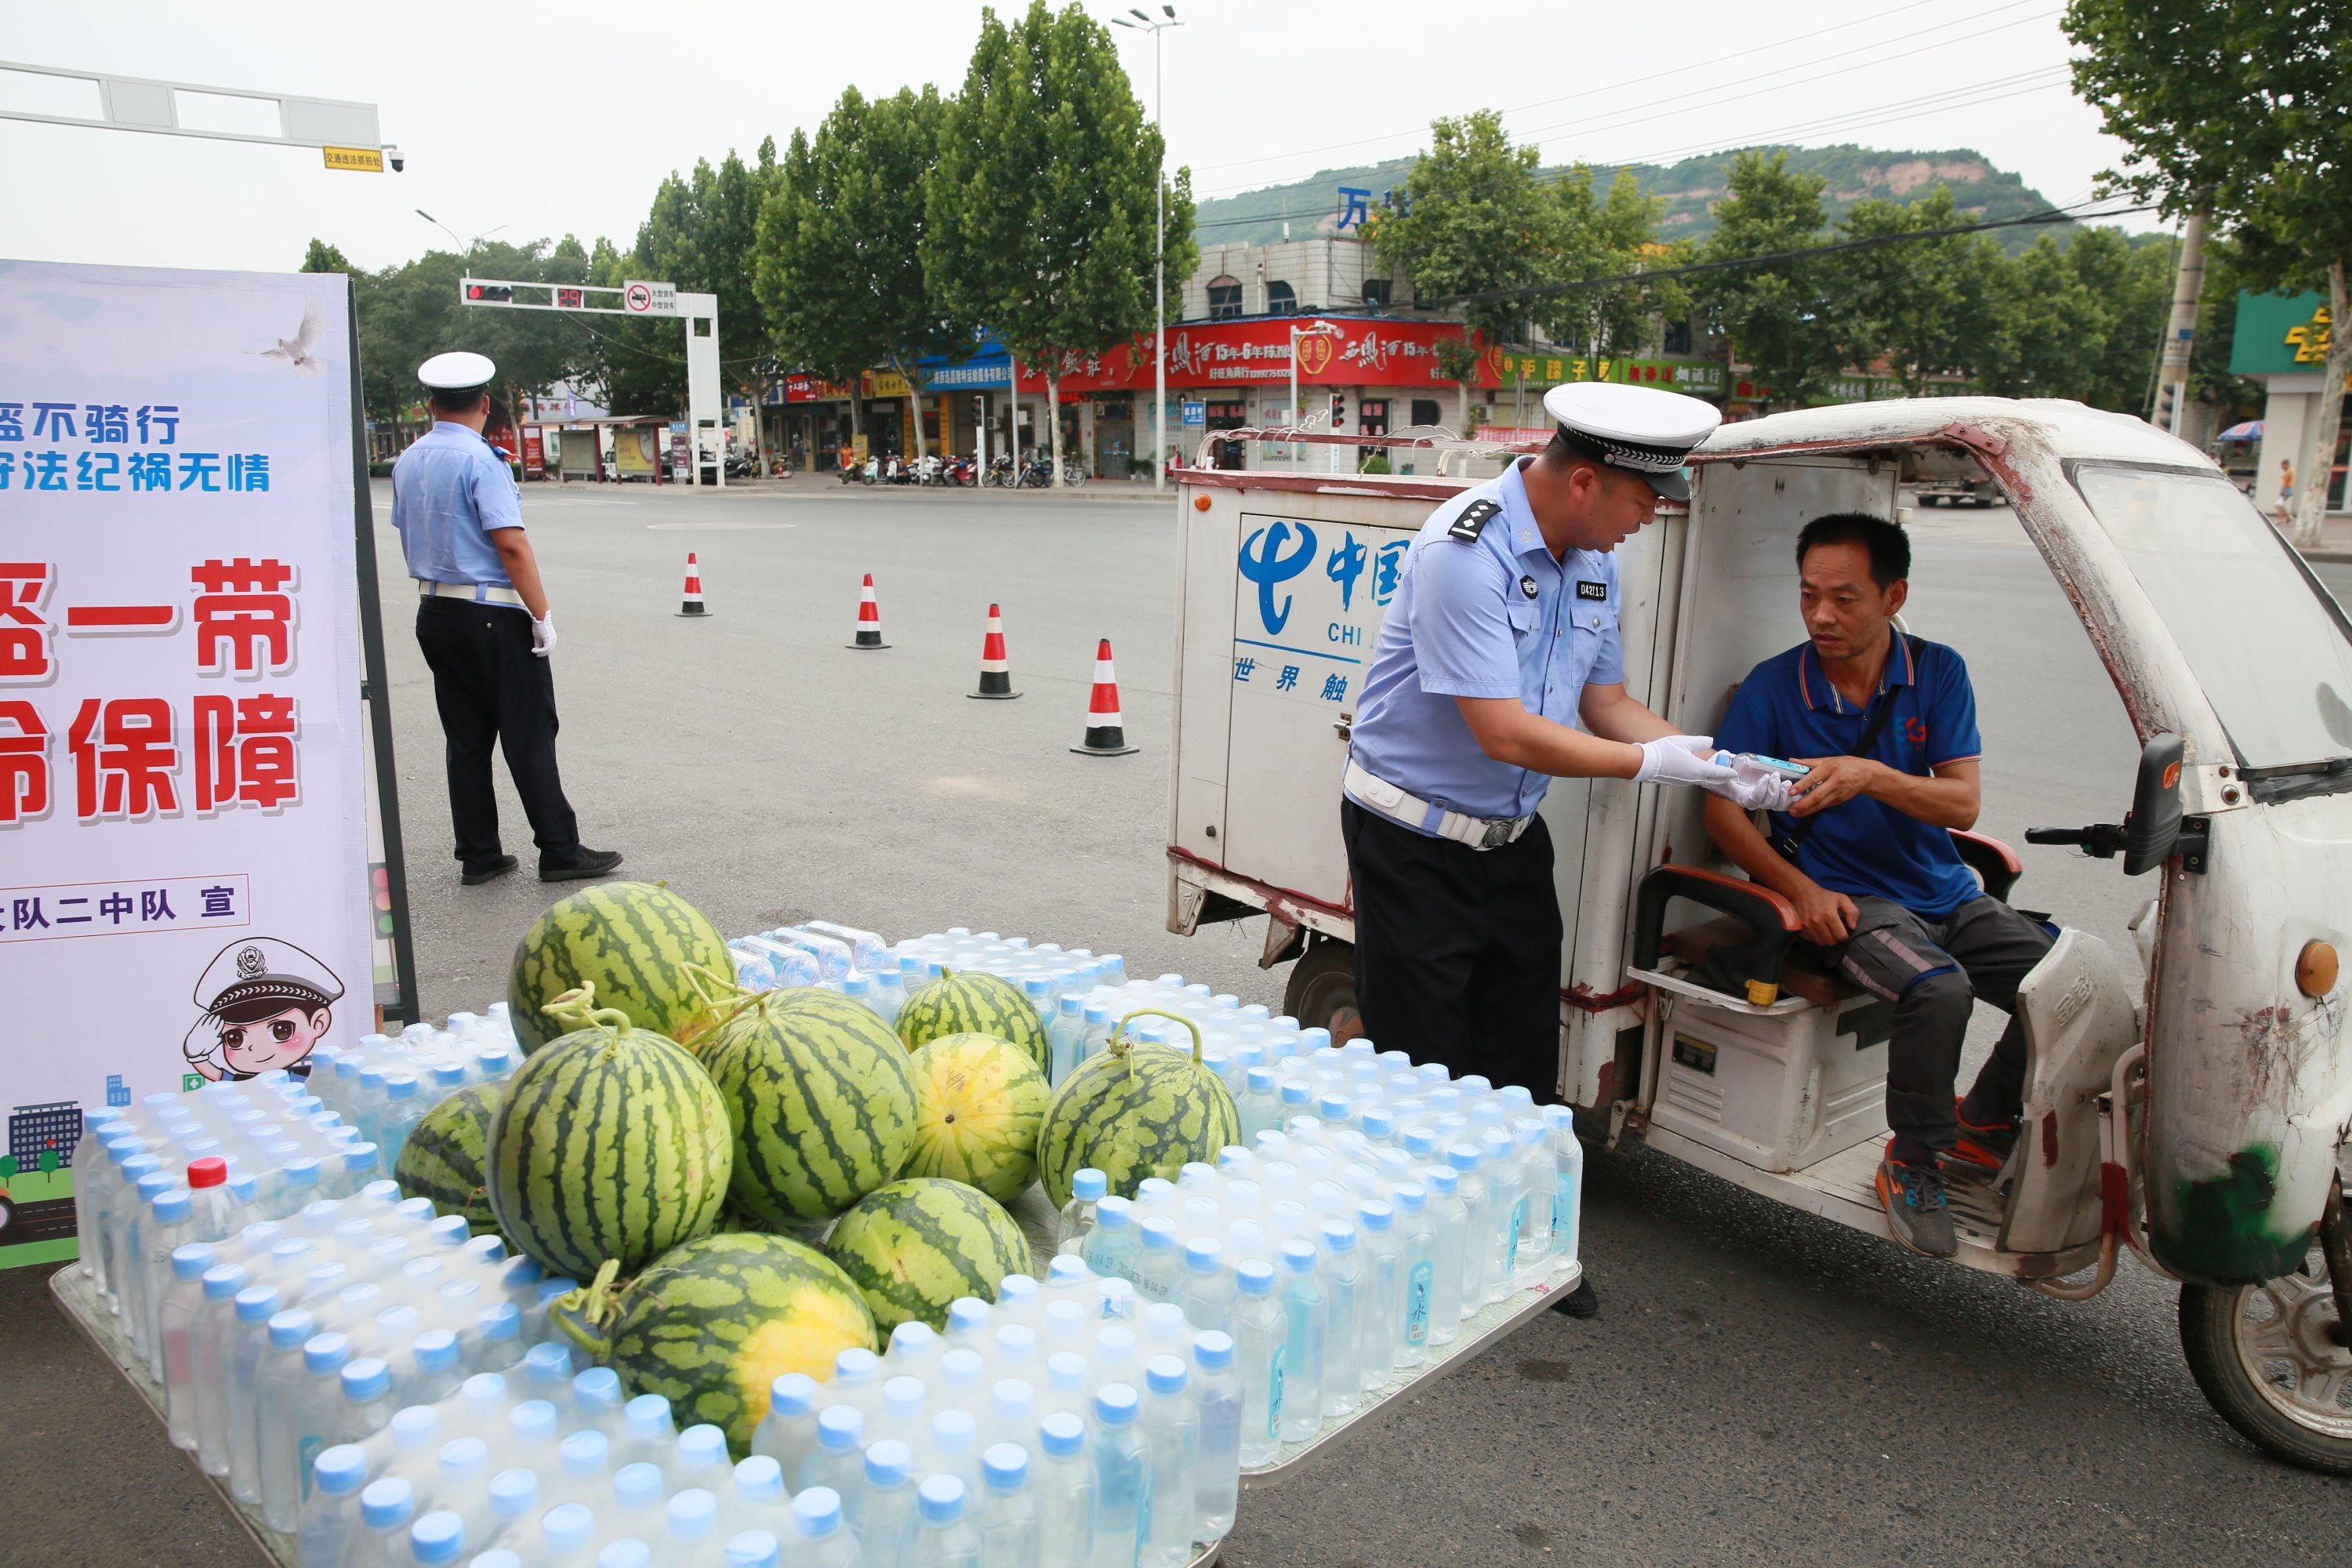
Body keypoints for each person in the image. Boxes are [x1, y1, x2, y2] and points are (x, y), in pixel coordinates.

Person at [1341, 382, 1781, 1098]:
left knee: (1520, 1071)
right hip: (1412, 846)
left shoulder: (1592, 560)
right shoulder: (1463, 552)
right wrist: (1649, 765)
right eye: (1644, 502)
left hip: (1511, 844)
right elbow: (1505, 734)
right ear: (1585, 482)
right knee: (1425, 1078)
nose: (1646, 520)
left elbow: (1606, 703)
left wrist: (1719, 768)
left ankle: (1511, 1202)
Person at [1702, 512, 2054, 1259]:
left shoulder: (1938, 672)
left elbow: (1962, 804)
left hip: (1946, 891)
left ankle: (1985, 1121)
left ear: (1894, 596)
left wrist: (1870, 776)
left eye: (1845, 598)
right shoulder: (1773, 689)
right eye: (1809, 596)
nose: (1822, 615)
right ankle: (1914, 1163)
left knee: (2064, 989)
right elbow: (1721, 811)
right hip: (1851, 906)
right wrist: (1799, 890)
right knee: (1939, 990)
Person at [391, 352, 622, 887]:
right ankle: (560, 849)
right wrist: (540, 615)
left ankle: (479, 854)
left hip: (435, 611)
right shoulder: (480, 460)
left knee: (466, 739)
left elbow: (407, 528)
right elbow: (511, 545)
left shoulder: (409, 460)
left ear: (430, 406)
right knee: (528, 734)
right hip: (491, 615)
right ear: (486, 404)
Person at [182, 938, 343, 1082]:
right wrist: (197, 1057)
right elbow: (222, 1078)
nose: (256, 1047)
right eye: (235, 1038)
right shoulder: (251, 1083)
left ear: (318, 1023)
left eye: (281, 1030)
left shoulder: (310, 1071)